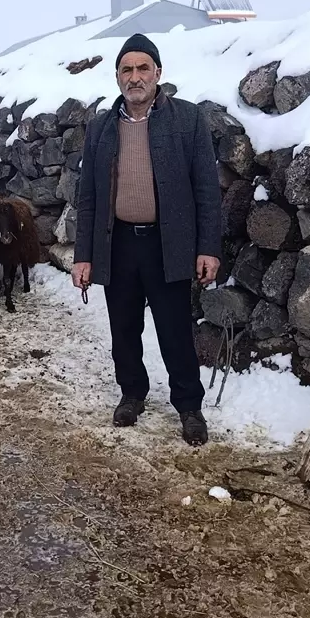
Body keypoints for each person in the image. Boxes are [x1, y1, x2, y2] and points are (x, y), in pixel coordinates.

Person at [72, 33, 222, 447]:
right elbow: (88, 196)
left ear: (158, 73)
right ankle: (132, 393)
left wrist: (208, 247)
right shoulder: (102, 126)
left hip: (167, 244)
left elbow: (207, 190)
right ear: (117, 77)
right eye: (126, 69)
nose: (134, 77)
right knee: (124, 328)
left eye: (142, 68)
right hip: (117, 243)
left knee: (174, 329)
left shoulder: (187, 119)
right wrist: (83, 255)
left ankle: (189, 406)